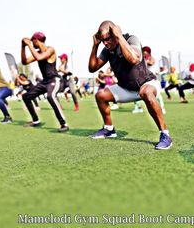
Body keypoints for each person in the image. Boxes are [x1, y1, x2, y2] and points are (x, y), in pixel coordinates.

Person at [88, 20, 172, 150]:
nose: (105, 43)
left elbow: (134, 59)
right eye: (102, 40)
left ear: (115, 33)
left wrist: (119, 37)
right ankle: (109, 129)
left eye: (108, 39)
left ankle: (165, 135)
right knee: (101, 95)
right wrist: (95, 46)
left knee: (146, 93)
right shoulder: (107, 49)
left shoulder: (131, 39)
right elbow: (92, 68)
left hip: (147, 83)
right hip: (126, 88)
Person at [20, 32, 69, 132]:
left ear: (36, 40)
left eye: (32, 41)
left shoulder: (50, 49)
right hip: (45, 81)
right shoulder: (37, 52)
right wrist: (23, 47)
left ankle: (64, 123)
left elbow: (39, 57)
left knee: (50, 96)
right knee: (26, 96)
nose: (31, 42)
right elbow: (24, 62)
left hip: (55, 80)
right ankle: (36, 120)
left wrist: (28, 44)